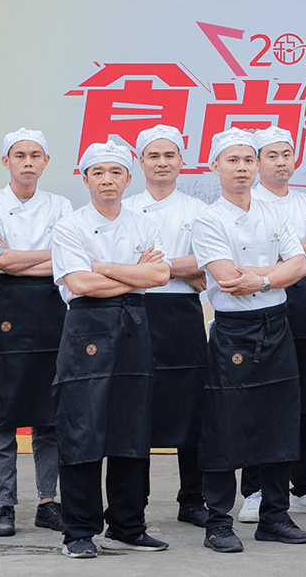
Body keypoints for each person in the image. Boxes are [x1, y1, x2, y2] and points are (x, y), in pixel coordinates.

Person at [189, 129, 306, 553]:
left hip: (277, 325)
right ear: (215, 167)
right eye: (232, 160)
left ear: (256, 165)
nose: (241, 168)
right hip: (234, 332)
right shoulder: (209, 218)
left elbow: (299, 267)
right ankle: (219, 523)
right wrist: (274, 273)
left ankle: (274, 516)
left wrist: (259, 278)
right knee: (226, 425)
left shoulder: (274, 212)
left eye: (247, 160)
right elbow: (226, 279)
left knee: (280, 420)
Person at [49, 143, 173, 558]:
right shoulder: (69, 226)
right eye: (98, 172)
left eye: (116, 172)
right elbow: (80, 284)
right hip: (86, 328)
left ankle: (126, 526)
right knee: (82, 430)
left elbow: (160, 275)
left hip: (134, 328)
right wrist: (134, 273)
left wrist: (101, 266)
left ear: (127, 178)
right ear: (85, 179)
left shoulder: (144, 223)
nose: (107, 180)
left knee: (131, 429)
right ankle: (79, 531)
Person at [0, 128, 73, 537]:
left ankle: (48, 503)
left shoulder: (61, 204)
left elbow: (68, 259)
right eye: (19, 155)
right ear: (6, 161)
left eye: (35, 155)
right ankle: (5, 505)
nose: (27, 162)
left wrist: (18, 258)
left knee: (49, 418)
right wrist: (45, 256)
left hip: (53, 311)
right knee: (4, 415)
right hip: (9, 314)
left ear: (45, 161)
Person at [120, 125, 212, 527]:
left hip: (183, 316)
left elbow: (207, 265)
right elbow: (116, 264)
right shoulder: (124, 209)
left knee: (193, 408)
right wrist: (178, 268)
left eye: (169, 155)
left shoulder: (199, 211)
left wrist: (152, 268)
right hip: (134, 312)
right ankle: (132, 502)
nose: (162, 163)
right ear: (140, 163)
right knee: (135, 407)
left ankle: (192, 498)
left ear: (181, 162)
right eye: (153, 156)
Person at [240, 126, 306, 523]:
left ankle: (303, 485)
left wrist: (287, 254)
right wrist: (299, 253)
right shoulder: (247, 203)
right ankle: (255, 490)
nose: (281, 162)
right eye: (272, 155)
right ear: (257, 163)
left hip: (303, 300)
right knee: (261, 398)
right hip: (258, 302)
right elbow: (246, 257)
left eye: (286, 154)